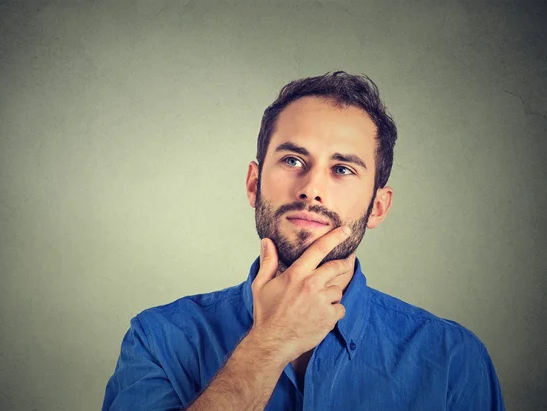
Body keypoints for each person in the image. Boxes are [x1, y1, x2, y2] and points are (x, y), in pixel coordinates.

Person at [102, 72, 505, 410]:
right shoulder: (158, 337)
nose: (312, 189)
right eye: (293, 161)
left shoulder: (453, 358)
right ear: (254, 184)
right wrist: (269, 344)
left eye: (343, 168)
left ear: (378, 208)